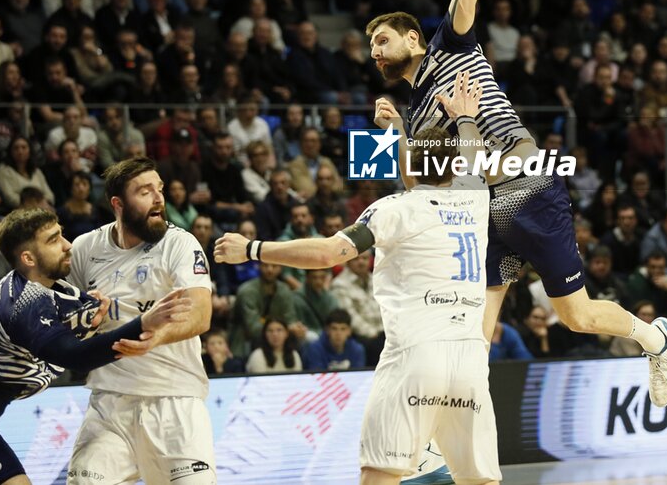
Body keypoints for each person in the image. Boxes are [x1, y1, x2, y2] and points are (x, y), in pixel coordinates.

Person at [367, 0, 667, 414]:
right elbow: (414, 186)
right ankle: (457, 443)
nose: (375, 51)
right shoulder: (409, 112)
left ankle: (656, 340)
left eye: (383, 40)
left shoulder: (449, 46)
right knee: (476, 337)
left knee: (577, 317)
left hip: (527, 187)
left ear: (413, 37)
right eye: (371, 48)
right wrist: (391, 137)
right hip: (480, 211)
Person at [214, 76, 499, 485]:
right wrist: (465, 117)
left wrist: (252, 249)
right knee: (480, 480)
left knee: (380, 473)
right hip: (470, 361)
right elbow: (464, 157)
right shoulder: (476, 195)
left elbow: (329, 253)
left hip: (416, 356)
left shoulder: (392, 209)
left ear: (412, 164)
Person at [0, 208, 189, 485]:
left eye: (62, 234)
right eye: (53, 240)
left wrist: (94, 318)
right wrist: (144, 322)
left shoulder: (58, 290)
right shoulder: (21, 303)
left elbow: (86, 316)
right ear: (28, 258)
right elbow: (75, 357)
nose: (67, 245)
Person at [66, 157, 216, 484]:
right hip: (109, 405)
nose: (158, 198)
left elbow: (201, 313)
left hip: (174, 400)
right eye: (145, 191)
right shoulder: (84, 249)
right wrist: (86, 322)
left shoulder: (179, 243)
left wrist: (156, 338)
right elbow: (65, 319)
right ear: (118, 204)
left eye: (159, 189)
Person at [301, 308, 367, 371]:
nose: (338, 333)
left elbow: (357, 378)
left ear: (349, 331)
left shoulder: (357, 350)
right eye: (334, 328)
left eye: (343, 329)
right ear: (327, 330)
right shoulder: (315, 349)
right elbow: (317, 377)